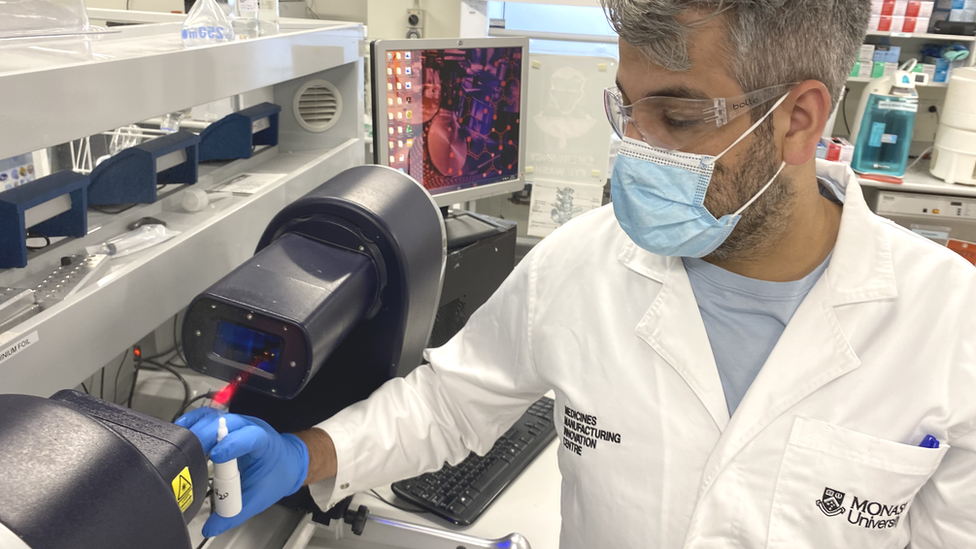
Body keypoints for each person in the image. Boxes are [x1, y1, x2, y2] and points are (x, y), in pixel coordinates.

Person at [178, 1, 976, 546]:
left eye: (679, 115)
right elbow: (451, 403)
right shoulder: (583, 262)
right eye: (627, 109)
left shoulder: (949, 326)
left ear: (799, 119)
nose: (633, 148)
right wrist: (305, 452)